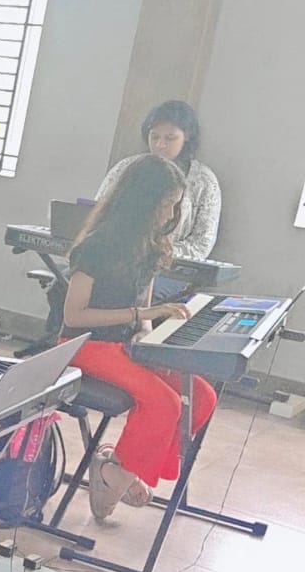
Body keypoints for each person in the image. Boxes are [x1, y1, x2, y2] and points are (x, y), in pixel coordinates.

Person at [65, 154, 216, 520]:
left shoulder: (150, 244)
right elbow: (74, 315)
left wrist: (147, 339)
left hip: (124, 343)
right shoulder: (97, 245)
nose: (170, 215)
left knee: (201, 396)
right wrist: (139, 317)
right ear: (141, 203)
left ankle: (119, 466)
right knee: (164, 402)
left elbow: (144, 307)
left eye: (175, 205)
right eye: (166, 205)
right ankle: (115, 476)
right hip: (86, 345)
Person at [97, 100, 221, 261]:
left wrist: (158, 251)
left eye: (170, 138)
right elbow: (98, 215)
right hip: (116, 256)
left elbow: (202, 243)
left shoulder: (204, 181)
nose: (160, 144)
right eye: (154, 137)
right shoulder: (125, 168)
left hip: (170, 264)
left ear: (187, 136)